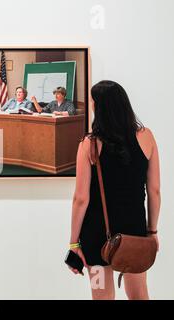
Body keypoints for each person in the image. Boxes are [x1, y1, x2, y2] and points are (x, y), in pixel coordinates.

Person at [69, 80, 161, 300]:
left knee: (101, 295)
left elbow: (81, 199)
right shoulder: (146, 137)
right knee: (139, 294)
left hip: (95, 236)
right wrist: (152, 232)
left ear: (99, 107)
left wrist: (74, 243)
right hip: (135, 231)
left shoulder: (89, 144)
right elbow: (155, 191)